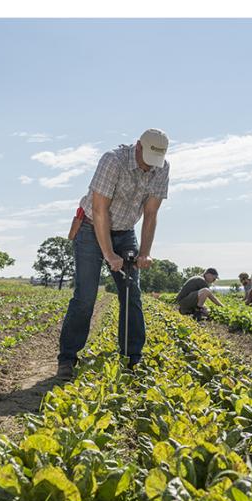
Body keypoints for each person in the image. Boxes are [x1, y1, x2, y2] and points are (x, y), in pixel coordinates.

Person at [57, 128, 170, 379]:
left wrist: (145, 252)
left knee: (132, 294)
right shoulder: (113, 160)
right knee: (85, 296)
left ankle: (132, 357)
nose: (148, 167)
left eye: (155, 162)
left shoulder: (161, 168)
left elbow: (151, 213)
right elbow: (99, 210)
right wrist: (109, 254)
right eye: (146, 160)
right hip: (90, 228)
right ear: (138, 146)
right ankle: (67, 358)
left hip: (125, 229)